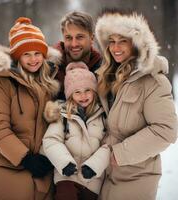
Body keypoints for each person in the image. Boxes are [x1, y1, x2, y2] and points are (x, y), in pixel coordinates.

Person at [95, 9, 178, 200]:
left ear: (137, 43)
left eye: (122, 41)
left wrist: (119, 155)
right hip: (104, 175)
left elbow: (166, 130)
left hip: (136, 176)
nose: (115, 48)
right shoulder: (105, 77)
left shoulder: (153, 81)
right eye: (112, 42)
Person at [0, 17, 61, 200]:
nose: (33, 59)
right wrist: (24, 158)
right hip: (9, 171)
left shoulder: (50, 83)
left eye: (37, 53)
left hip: (43, 173)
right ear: (17, 56)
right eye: (26, 54)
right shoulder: (3, 84)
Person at [41, 62, 110, 200]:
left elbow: (108, 145)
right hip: (67, 177)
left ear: (94, 92)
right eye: (77, 92)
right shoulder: (63, 115)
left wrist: (94, 166)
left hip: (92, 180)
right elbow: (51, 140)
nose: (83, 96)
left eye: (87, 90)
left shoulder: (102, 116)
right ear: (70, 95)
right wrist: (65, 163)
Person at [54, 11, 102, 99]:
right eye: (68, 38)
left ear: (92, 38)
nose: (74, 44)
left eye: (80, 37)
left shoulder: (104, 71)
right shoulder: (50, 70)